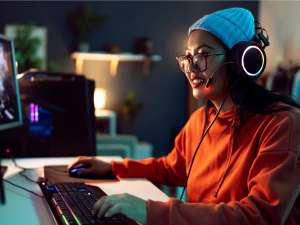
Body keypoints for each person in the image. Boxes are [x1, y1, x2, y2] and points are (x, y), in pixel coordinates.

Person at [69, 7, 300, 225]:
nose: (191, 67)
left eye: (202, 55)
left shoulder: (282, 124)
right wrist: (113, 167)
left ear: (242, 60)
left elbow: (258, 216)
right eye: (188, 57)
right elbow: (171, 168)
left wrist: (150, 212)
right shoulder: (200, 120)